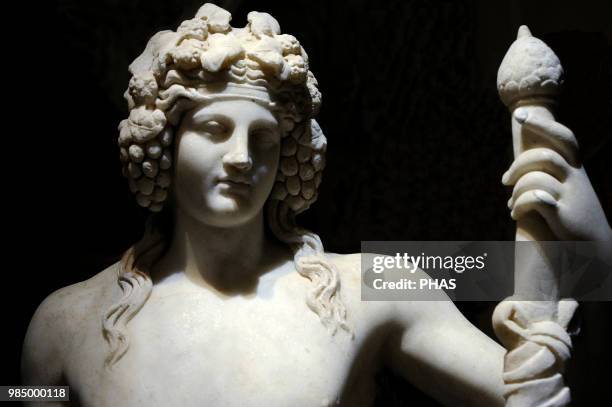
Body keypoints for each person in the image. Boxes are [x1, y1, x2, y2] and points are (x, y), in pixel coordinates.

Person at [21, 4, 611, 406]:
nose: (240, 157)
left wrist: (592, 254)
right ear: (165, 145)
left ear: (290, 153)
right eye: (214, 129)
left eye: (266, 139)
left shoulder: (369, 284)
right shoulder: (66, 321)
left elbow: (536, 393)